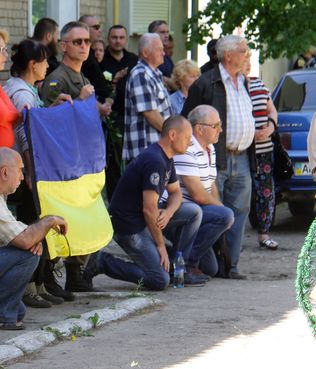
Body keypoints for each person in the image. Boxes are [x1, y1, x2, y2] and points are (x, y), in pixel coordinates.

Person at [83, 116, 203, 290]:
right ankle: (101, 262)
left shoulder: (167, 157)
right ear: (172, 135)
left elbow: (176, 193)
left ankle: (175, 265)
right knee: (159, 280)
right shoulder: (155, 161)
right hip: (129, 225)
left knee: (194, 212)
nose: (190, 142)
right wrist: (160, 245)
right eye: (187, 138)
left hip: (146, 219)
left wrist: (168, 212)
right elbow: (148, 209)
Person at [0, 148, 67, 328]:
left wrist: (32, 238)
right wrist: (49, 221)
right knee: (28, 255)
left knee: (18, 311)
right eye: (20, 170)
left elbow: (18, 232)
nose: (22, 177)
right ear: (5, 172)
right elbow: (25, 240)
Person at [3, 38, 73, 305]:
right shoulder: (21, 94)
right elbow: (26, 133)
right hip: (23, 170)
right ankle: (30, 286)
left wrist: (52, 109)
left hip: (24, 167)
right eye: (44, 62)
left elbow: (36, 121)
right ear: (33, 65)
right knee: (33, 225)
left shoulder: (25, 89)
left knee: (36, 223)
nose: (47, 66)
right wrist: (31, 171)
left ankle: (40, 282)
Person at [182, 35, 255, 279]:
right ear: (228, 55)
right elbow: (187, 120)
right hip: (216, 156)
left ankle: (230, 266)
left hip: (242, 156)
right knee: (215, 211)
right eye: (243, 51)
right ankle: (207, 263)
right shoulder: (206, 82)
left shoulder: (243, 81)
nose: (247, 55)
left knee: (240, 211)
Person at [41, 21, 103, 293]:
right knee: (62, 219)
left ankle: (77, 272)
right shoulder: (58, 79)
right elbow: (52, 122)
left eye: (87, 41)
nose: (84, 46)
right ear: (63, 45)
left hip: (82, 160)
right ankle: (48, 276)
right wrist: (79, 100)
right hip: (63, 163)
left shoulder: (83, 78)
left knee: (84, 217)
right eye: (77, 42)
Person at [175, 105, 235, 277]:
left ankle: (176, 255)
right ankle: (184, 264)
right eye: (215, 126)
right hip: (183, 212)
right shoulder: (187, 149)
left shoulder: (210, 148)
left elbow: (211, 184)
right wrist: (222, 211)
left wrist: (220, 208)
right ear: (199, 129)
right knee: (225, 215)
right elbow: (198, 195)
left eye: (220, 125)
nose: (220, 130)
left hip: (200, 212)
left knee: (211, 269)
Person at [244, 55, 279, 249]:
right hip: (241, 151)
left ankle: (264, 234)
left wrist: (270, 128)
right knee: (242, 195)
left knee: (266, 193)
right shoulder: (231, 88)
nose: (248, 64)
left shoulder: (259, 84)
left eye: (249, 60)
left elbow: (272, 110)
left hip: (264, 151)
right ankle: (234, 239)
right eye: (244, 60)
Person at [100, 24, 138, 197]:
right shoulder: (101, 60)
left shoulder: (133, 60)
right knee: (113, 160)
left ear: (126, 39)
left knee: (132, 161)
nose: (118, 41)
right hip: (110, 118)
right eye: (114, 37)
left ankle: (131, 197)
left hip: (131, 116)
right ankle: (114, 199)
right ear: (109, 39)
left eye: (121, 37)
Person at [123, 33, 172, 162]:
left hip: (156, 149)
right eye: (159, 50)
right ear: (145, 53)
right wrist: (172, 135)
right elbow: (150, 114)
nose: (163, 53)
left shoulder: (153, 74)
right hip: (146, 151)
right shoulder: (141, 74)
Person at [79, 15, 112, 110]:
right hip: (90, 106)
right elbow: (79, 87)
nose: (100, 31)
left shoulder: (90, 52)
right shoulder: (81, 54)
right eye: (96, 27)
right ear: (84, 29)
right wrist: (99, 107)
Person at [148, 20, 175, 89]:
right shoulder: (148, 56)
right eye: (162, 32)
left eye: (167, 32)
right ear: (152, 34)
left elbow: (174, 79)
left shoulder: (166, 57)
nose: (166, 35)